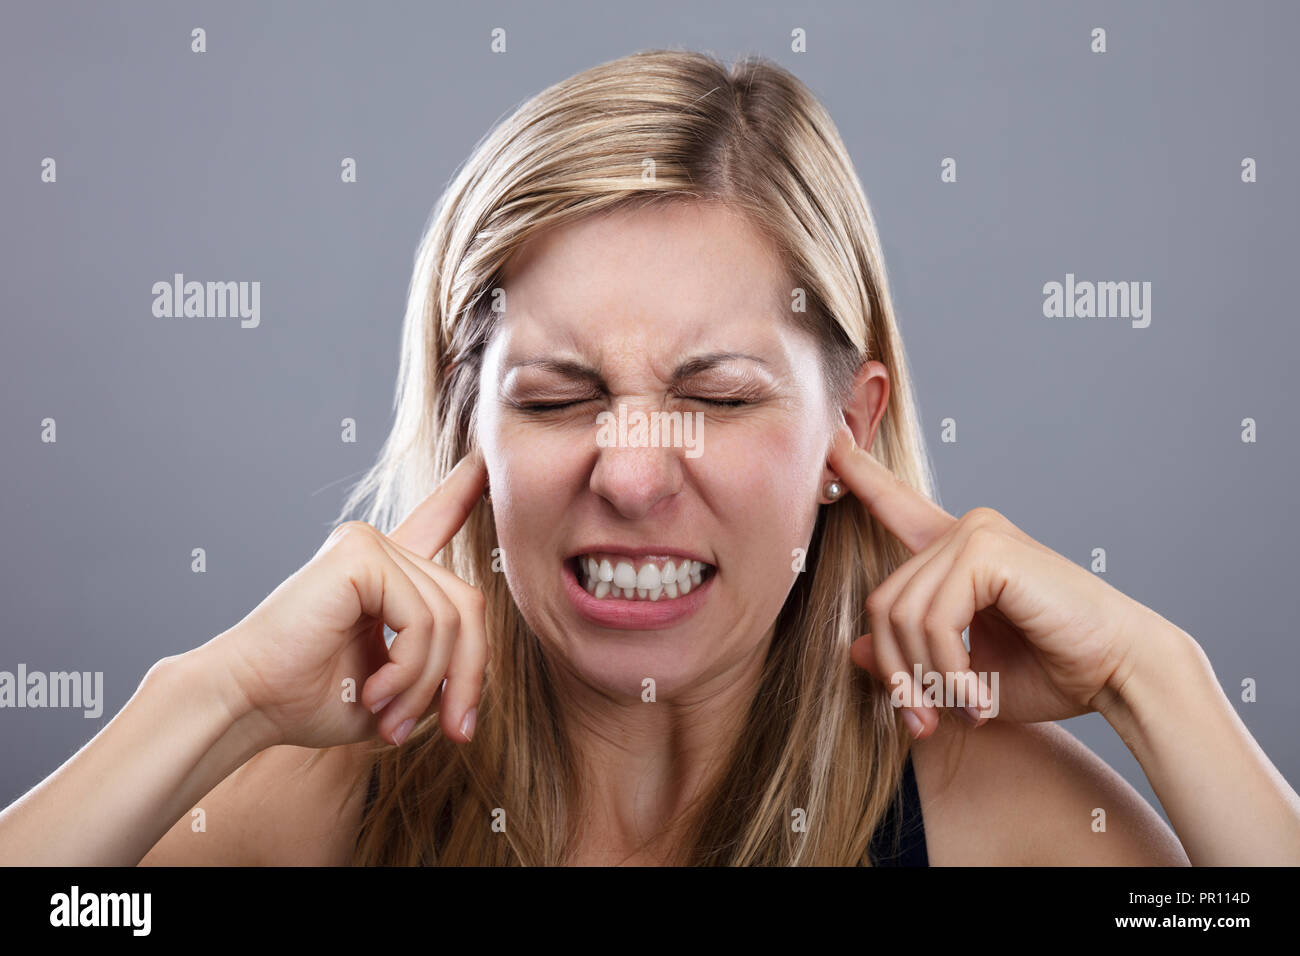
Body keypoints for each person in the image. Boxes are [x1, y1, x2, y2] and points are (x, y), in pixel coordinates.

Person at [2, 49, 1297, 866]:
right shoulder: (315, 809)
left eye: (717, 398)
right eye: (559, 397)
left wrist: (1156, 679)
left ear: (851, 430)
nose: (630, 472)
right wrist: (209, 701)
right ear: (470, 432)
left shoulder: (998, 831)